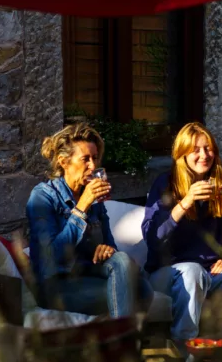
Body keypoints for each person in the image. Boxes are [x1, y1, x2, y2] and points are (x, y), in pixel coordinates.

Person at [142, 122, 222, 340]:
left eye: (208, 148)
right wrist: (186, 202)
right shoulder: (165, 184)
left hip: (210, 272)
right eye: (196, 150)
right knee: (193, 271)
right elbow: (153, 238)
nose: (204, 155)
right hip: (168, 272)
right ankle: (187, 350)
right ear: (182, 155)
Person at [27, 123, 152, 319]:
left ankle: (121, 342)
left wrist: (108, 250)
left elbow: (111, 246)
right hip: (57, 285)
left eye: (95, 159)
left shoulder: (95, 200)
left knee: (137, 279)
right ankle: (125, 344)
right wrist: (82, 206)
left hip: (90, 274)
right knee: (135, 292)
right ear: (64, 162)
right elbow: (50, 257)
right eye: (85, 159)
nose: (93, 166)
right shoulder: (43, 197)